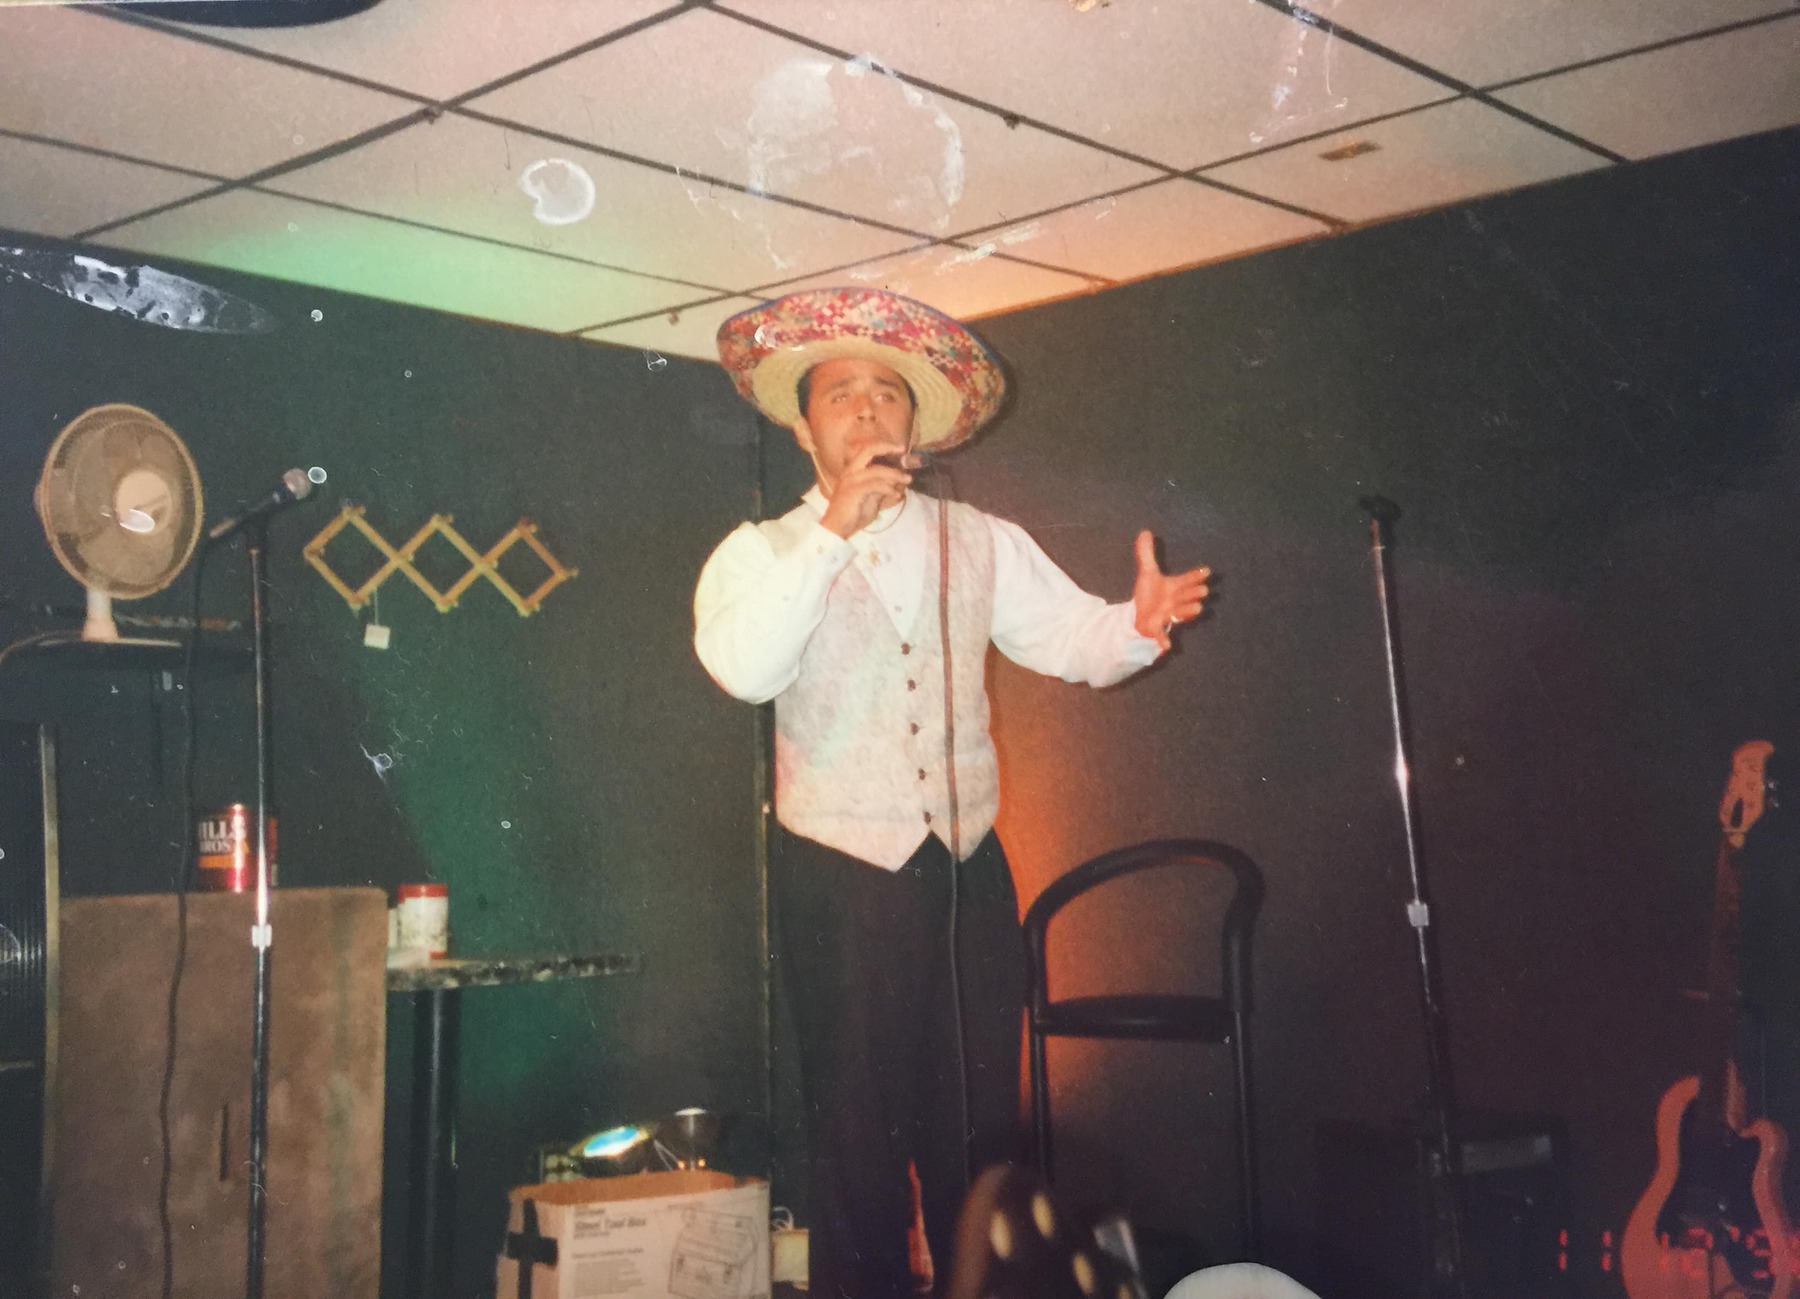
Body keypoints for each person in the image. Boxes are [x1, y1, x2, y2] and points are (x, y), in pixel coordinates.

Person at [695, 288, 1210, 1299]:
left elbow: (1068, 638)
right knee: (856, 1148)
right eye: (840, 394)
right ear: (804, 427)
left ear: (914, 421)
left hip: (970, 872)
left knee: (980, 1129)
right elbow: (746, 670)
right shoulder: (760, 553)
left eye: (886, 394)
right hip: (843, 875)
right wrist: (835, 532)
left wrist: (1136, 626)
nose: (866, 410)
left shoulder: (977, 536)